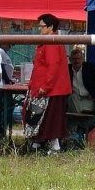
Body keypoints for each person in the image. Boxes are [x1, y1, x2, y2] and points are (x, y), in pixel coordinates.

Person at [27, 14, 71, 154]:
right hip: (51, 88)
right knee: (46, 118)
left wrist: (45, 86)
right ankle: (41, 143)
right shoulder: (50, 41)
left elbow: (52, 66)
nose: (39, 29)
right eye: (39, 26)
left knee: (49, 119)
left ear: (51, 27)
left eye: (42, 26)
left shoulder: (51, 42)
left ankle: (53, 146)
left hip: (51, 89)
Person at [68, 47, 95, 118]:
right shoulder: (67, 70)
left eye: (78, 59)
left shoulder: (90, 68)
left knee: (75, 111)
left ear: (83, 59)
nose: (77, 61)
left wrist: (94, 94)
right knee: (72, 97)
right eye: (74, 59)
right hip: (75, 98)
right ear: (70, 60)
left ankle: (78, 122)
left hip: (88, 98)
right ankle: (80, 120)